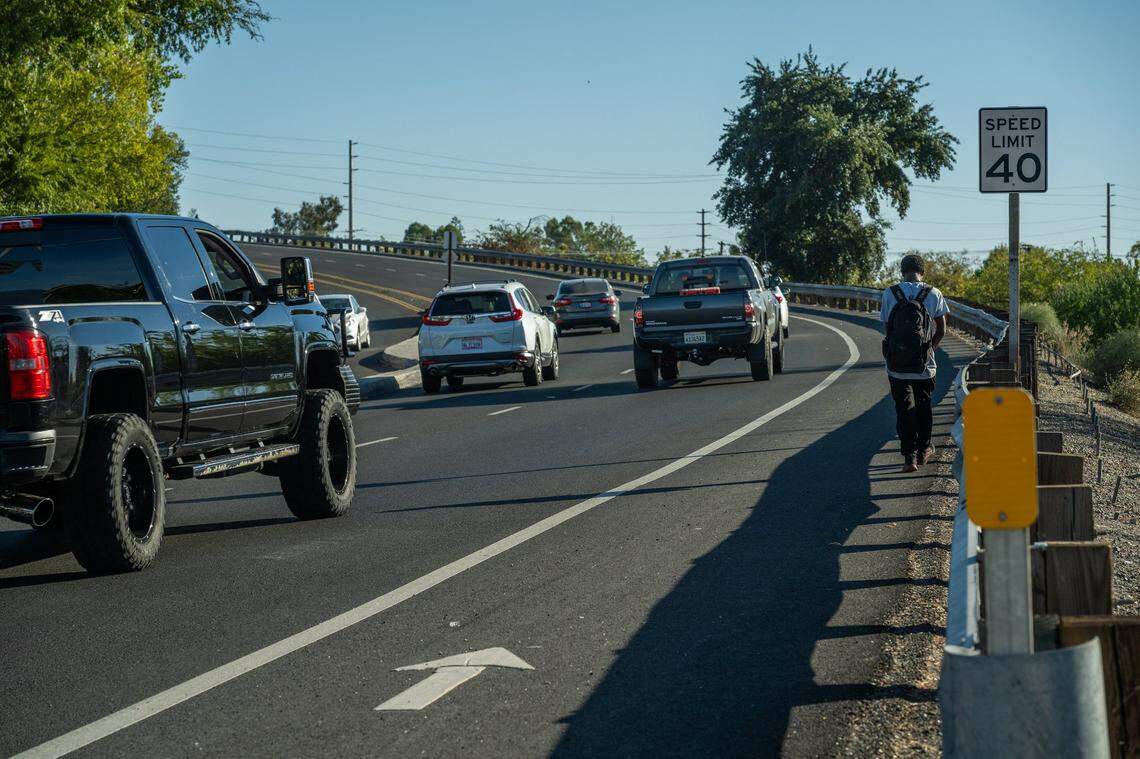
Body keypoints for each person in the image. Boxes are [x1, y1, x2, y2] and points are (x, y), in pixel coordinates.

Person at [880, 254, 948, 473]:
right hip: (925, 367)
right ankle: (924, 450)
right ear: (923, 272)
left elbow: (887, 330)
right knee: (924, 406)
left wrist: (896, 354)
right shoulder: (934, 293)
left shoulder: (890, 293)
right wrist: (928, 351)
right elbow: (942, 330)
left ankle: (909, 458)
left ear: (902, 271)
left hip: (896, 366)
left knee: (903, 408)